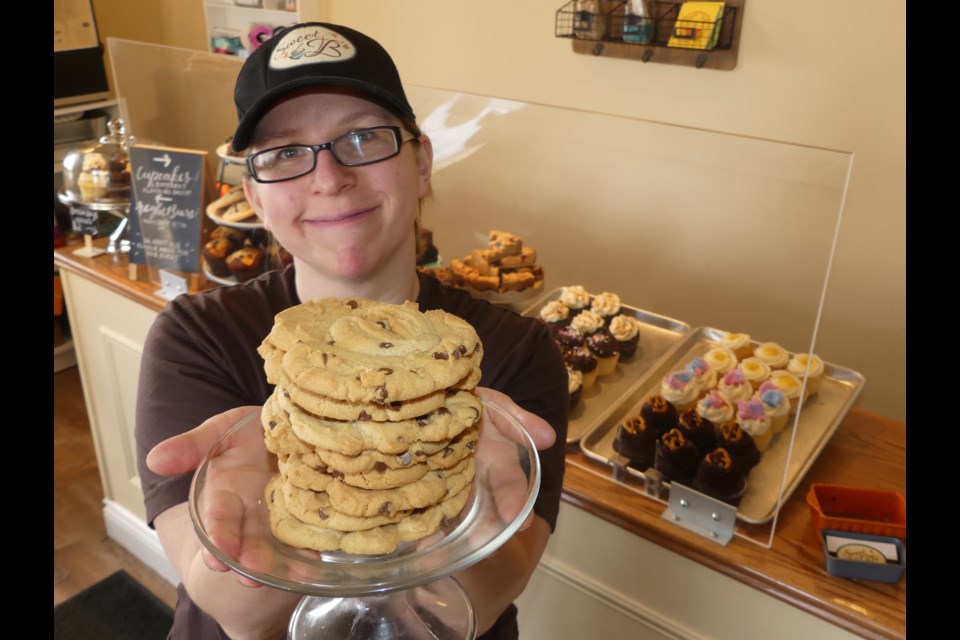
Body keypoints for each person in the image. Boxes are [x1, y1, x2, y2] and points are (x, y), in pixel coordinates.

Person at [135, 22, 568, 640]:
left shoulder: (518, 350)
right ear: (255, 199)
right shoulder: (193, 336)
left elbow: (482, 600)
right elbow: (239, 615)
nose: (329, 178)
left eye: (363, 137)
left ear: (421, 165)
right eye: (284, 153)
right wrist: (277, 496)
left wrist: (450, 469)